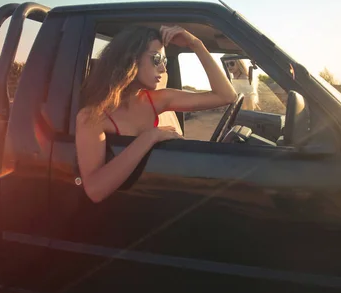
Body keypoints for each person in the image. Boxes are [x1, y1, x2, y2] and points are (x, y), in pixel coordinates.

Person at [76, 25, 237, 203]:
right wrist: (150, 136)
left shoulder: (157, 100)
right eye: (156, 59)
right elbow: (94, 190)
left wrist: (195, 44)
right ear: (131, 58)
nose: (163, 69)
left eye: (165, 62)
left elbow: (226, 96)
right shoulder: (92, 116)